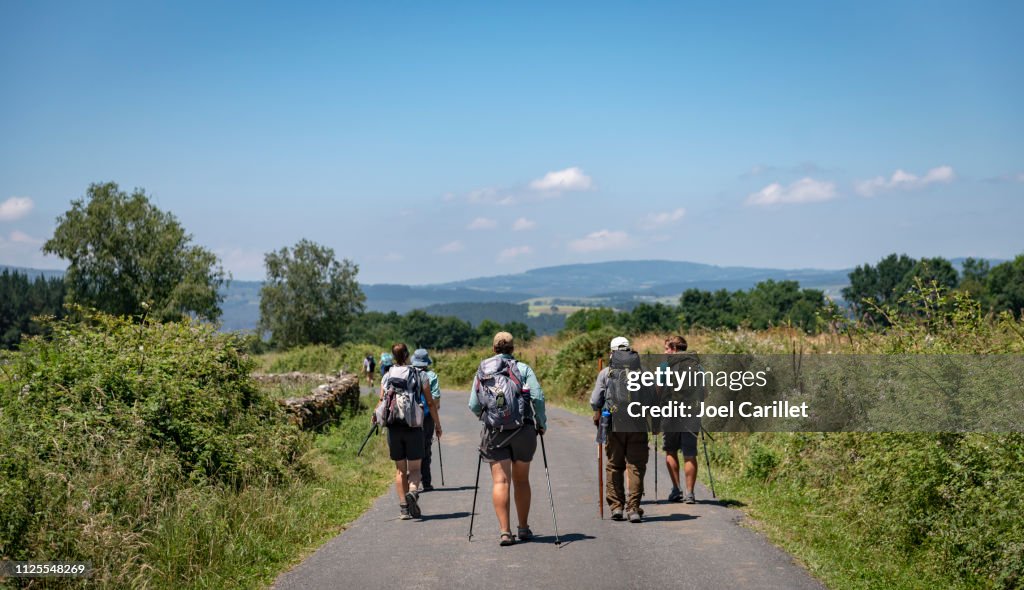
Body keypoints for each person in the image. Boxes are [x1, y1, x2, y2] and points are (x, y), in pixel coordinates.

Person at [469, 331, 548, 546]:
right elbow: (537, 397)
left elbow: (474, 405)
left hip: (495, 432)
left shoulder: (483, 371)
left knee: (500, 481)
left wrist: (489, 418)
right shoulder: (522, 369)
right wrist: (541, 423)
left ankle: (505, 532)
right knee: (521, 480)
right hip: (523, 430)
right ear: (513, 349)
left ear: (494, 349)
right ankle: (523, 528)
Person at [375, 343, 441, 520]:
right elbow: (430, 402)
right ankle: (413, 491)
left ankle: (404, 508)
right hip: (413, 427)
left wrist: (376, 418)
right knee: (415, 469)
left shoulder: (387, 375)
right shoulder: (420, 375)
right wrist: (437, 425)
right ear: (407, 356)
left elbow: (381, 400)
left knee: (400, 471)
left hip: (394, 427)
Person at [590, 336, 648, 523]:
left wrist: (597, 413)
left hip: (613, 423)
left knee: (615, 465)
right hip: (637, 423)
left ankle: (616, 506)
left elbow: (595, 400)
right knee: (636, 466)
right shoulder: (642, 372)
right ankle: (633, 509)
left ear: (612, 352)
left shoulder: (606, 373)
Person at [662, 335, 700, 504]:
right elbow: (704, 393)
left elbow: (658, 391)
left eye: (666, 348)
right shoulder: (697, 366)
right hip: (691, 415)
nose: (664, 352)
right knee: (690, 454)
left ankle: (676, 490)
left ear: (674, 349)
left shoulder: (665, 367)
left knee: (671, 451)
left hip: (670, 415)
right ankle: (690, 493)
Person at [411, 348, 441, 492]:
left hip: (409, 415)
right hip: (427, 416)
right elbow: (434, 401)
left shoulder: (407, 373)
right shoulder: (431, 375)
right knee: (426, 447)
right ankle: (426, 482)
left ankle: (411, 481)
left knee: (412, 448)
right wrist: (437, 423)